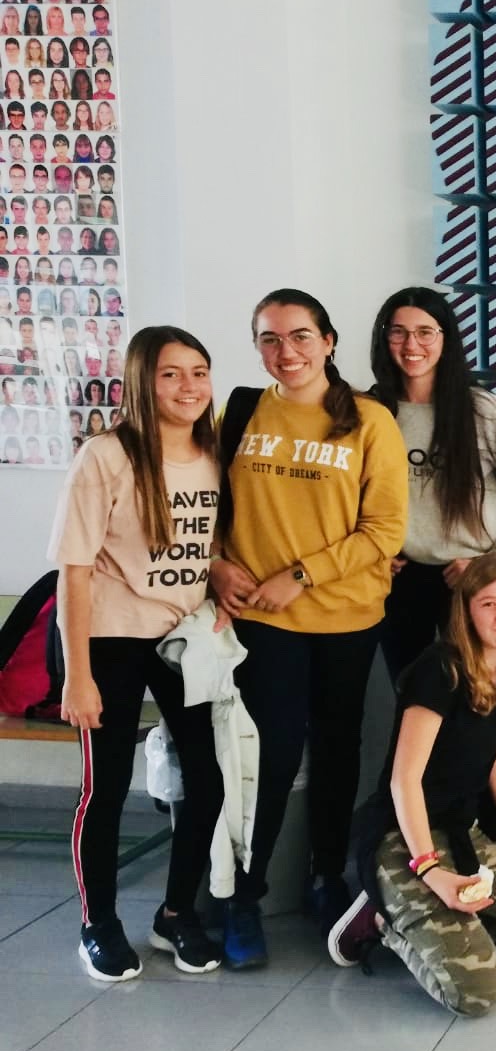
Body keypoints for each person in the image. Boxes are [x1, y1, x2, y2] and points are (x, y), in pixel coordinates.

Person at [208, 288, 408, 969]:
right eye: (269, 338)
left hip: (347, 616)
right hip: (264, 622)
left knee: (337, 750)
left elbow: (384, 529)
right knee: (268, 756)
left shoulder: (370, 420)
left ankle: (326, 877)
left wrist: (300, 574)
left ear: (327, 342)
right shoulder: (240, 411)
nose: (285, 351)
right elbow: (201, 503)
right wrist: (215, 562)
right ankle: (244, 895)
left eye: (299, 336)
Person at [330, 554, 496, 1016]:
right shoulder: (440, 669)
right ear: (467, 610)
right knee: (476, 994)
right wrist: (430, 870)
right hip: (402, 839)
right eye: (489, 604)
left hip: (462, 835)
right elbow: (404, 780)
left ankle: (448, 925)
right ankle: (384, 922)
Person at [47, 325, 225, 980]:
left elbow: (211, 544)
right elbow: (73, 571)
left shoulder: (213, 452)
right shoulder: (106, 456)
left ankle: (176, 915)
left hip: (182, 638)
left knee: (205, 780)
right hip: (110, 636)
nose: (188, 386)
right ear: (141, 382)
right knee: (108, 787)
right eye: (170, 374)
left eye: (199, 372)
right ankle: (98, 923)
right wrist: (78, 675)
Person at [366, 286, 496, 681]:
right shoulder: (370, 410)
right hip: (399, 580)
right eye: (398, 332)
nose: (411, 344)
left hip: (472, 576)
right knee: (412, 691)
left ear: (445, 338)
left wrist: (492, 565)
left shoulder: (479, 409)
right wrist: (372, 554)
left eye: (425, 332)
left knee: (484, 693)